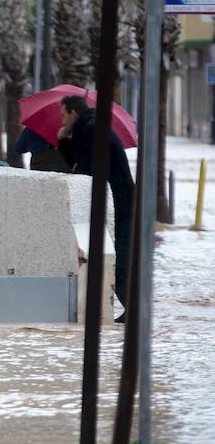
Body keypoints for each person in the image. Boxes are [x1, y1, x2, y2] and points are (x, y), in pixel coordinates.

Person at [57, 94, 133, 324]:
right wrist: (62, 140)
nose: (61, 121)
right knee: (120, 258)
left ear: (73, 113)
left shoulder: (92, 129)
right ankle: (132, 311)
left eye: (63, 115)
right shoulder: (86, 129)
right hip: (118, 202)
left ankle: (133, 311)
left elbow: (87, 169)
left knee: (120, 261)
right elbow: (78, 162)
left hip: (123, 205)